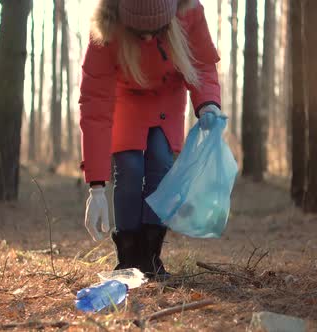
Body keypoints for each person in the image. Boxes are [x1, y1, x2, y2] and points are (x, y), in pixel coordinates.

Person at [79, 0, 221, 280]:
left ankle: (150, 255)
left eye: (155, 30)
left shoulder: (189, 12)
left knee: (161, 164)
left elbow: (202, 63)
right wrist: (96, 187)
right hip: (125, 97)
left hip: (167, 94)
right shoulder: (106, 27)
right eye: (137, 31)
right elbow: (95, 105)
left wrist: (208, 104)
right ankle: (129, 257)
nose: (146, 38)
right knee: (130, 168)